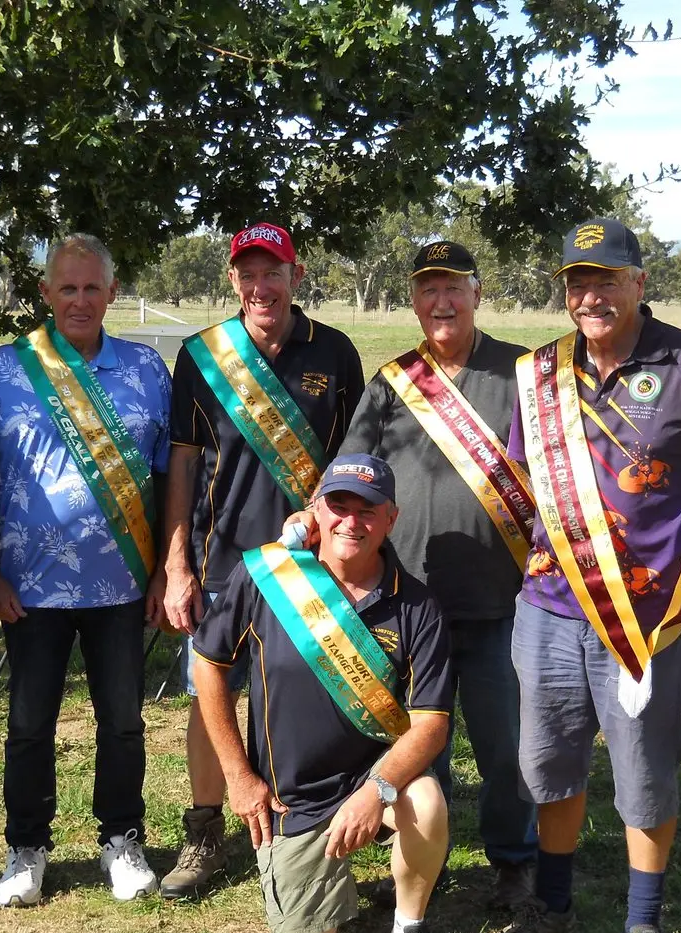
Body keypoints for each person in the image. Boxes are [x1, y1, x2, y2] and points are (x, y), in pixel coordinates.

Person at [507, 218, 681, 931]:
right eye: (578, 283)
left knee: (645, 770)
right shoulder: (541, 371)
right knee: (549, 762)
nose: (590, 296)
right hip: (549, 606)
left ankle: (643, 917)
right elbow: (522, 477)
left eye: (606, 280)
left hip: (647, 618)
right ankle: (553, 902)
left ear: (639, 283)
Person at [158, 222, 364, 898]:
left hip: (310, 566)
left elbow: (352, 458)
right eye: (247, 272)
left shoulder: (334, 351)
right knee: (208, 695)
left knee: (304, 702)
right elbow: (182, 462)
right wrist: (177, 564)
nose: (259, 285)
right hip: (222, 564)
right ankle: (205, 828)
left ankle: (300, 824)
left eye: (271, 271)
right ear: (233, 279)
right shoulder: (202, 354)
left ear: (295, 276)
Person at [0, 233, 172, 906]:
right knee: (28, 723)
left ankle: (122, 838)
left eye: (92, 288)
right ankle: (26, 847)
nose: (80, 300)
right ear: (46, 293)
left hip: (122, 584)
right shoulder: (3, 371)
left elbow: (173, 479)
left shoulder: (146, 371)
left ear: (112, 293)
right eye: (67, 288)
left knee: (122, 721)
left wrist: (168, 569)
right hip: (29, 590)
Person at [331, 240, 538, 903]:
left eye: (454, 287)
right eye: (428, 289)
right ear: (414, 301)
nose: (441, 302)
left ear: (479, 292)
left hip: (503, 599)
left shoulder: (523, 372)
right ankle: (428, 857)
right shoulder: (392, 383)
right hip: (412, 609)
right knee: (422, 748)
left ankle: (513, 858)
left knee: (505, 745)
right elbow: (346, 476)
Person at [194, 454, 452, 933]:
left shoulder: (418, 604)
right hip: (291, 798)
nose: (351, 522)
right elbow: (208, 665)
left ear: (391, 520)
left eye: (368, 510)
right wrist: (239, 776)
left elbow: (432, 725)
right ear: (316, 510)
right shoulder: (268, 577)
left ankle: (408, 923)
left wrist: (375, 791)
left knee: (429, 803)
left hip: (376, 779)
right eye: (339, 505)